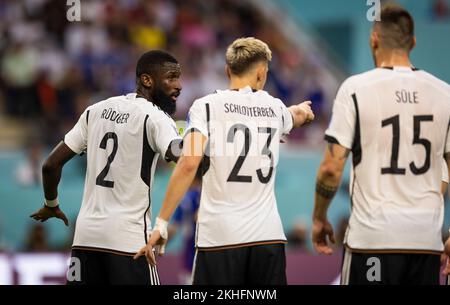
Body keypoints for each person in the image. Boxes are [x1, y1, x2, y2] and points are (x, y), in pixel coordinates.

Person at [134, 37, 315, 285]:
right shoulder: (274, 108)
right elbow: (296, 115)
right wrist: (304, 111)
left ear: (228, 70)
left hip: (220, 238)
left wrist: (162, 223)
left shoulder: (206, 107)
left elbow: (188, 163)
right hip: (267, 238)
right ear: (262, 74)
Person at [312, 4, 450, 285]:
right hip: (425, 242)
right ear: (413, 42)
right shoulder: (444, 93)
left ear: (373, 38)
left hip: (373, 240)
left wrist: (319, 218)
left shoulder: (355, 89)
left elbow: (330, 168)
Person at [30, 50, 183, 285]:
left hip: (85, 240)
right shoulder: (156, 118)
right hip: (128, 241)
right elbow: (178, 153)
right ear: (147, 80)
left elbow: (50, 165)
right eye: (171, 77)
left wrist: (51, 205)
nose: (179, 85)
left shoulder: (95, 110)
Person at [168, 169, 202, 284]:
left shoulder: (187, 197)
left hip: (191, 259)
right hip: (213, 259)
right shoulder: (212, 195)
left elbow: (173, 229)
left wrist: (155, 248)